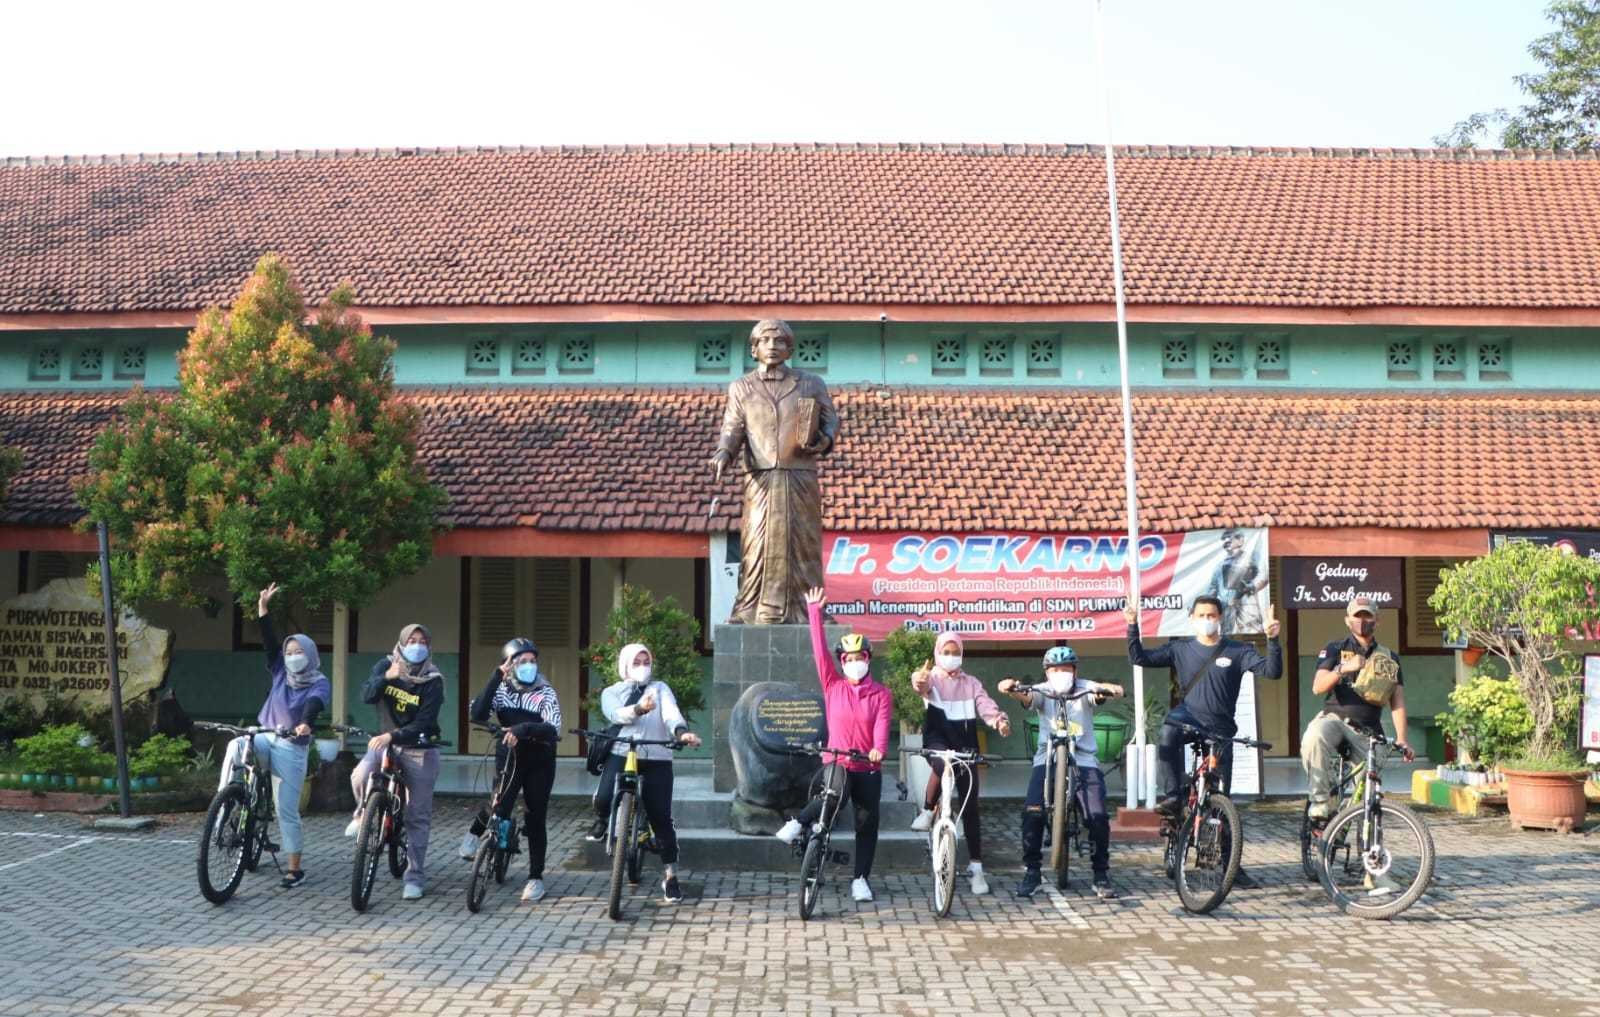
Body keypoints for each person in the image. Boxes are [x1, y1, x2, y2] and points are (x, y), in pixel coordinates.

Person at [1126, 596, 1281, 886]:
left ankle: (1229, 864)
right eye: (1202, 614)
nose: (1207, 619)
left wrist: (1273, 640)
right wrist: (1132, 625)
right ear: (1192, 618)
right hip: (1189, 717)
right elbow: (1140, 659)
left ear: (1221, 617)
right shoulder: (1180, 648)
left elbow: (1272, 672)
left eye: (1212, 614)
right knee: (1168, 732)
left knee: (1223, 799)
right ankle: (1173, 797)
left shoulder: (1238, 650)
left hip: (1221, 727)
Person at [710, 318, 840, 624]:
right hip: (761, 478)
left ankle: (812, 609)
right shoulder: (742, 387)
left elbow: (830, 420)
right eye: (765, 341)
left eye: (780, 341)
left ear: (790, 348)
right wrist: (724, 453)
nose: (773, 346)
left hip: (800, 475)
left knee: (804, 543)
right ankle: (749, 608)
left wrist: (822, 439)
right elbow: (733, 427)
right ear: (754, 349)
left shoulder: (810, 383)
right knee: (756, 543)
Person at [774, 587, 893, 904]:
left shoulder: (880, 694)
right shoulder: (833, 685)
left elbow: (882, 724)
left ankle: (860, 880)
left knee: (867, 824)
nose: (854, 663)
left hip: (868, 766)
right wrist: (814, 611)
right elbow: (818, 651)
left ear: (868, 660)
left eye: (860, 658)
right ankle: (798, 823)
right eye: (848, 659)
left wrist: (878, 748)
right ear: (842, 662)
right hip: (837, 761)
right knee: (833, 796)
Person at [998, 646, 1124, 900]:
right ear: (1047, 671)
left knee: (1097, 816)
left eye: (1066, 668)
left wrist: (1110, 690)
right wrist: (1010, 687)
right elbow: (1025, 697)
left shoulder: (1086, 688)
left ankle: (1100, 874)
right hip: (1047, 760)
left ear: (1075, 670)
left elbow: (1102, 693)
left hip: (1084, 760)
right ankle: (1032, 872)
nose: (1061, 673)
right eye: (1055, 669)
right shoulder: (1043, 690)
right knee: (1032, 812)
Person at [590, 642, 702, 904]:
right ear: (625, 666)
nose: (643, 667)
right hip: (622, 752)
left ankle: (671, 876)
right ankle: (601, 821)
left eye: (646, 662)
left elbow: (671, 714)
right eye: (637, 662)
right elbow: (615, 714)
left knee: (661, 818)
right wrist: (639, 709)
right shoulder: (612, 691)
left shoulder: (660, 689)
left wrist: (680, 733)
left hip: (657, 756)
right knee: (605, 797)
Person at [345, 623, 446, 901]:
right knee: (360, 774)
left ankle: (414, 877)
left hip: (418, 748)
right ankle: (363, 812)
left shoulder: (433, 678)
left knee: (417, 816)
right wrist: (386, 677)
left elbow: (425, 721)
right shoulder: (385, 665)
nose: (417, 645)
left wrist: (392, 735)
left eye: (422, 641)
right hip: (386, 743)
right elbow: (367, 695)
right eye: (411, 640)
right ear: (401, 643)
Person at [459, 637, 563, 903]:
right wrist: (496, 676)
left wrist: (522, 729)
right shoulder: (502, 688)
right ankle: (474, 834)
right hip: (509, 754)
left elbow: (553, 729)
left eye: (532, 661)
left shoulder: (545, 691)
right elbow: (478, 713)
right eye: (521, 661)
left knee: (534, 815)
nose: (529, 665)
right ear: (510, 664)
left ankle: (536, 878)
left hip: (539, 758)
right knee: (499, 802)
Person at [908, 630, 1011, 895]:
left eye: (955, 652)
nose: (951, 657)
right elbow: (921, 684)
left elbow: (984, 704)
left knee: (972, 807)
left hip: (966, 747)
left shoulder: (971, 683)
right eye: (946, 652)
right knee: (945, 764)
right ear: (937, 653)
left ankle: (976, 869)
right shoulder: (931, 678)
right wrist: (917, 680)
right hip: (937, 742)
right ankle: (929, 809)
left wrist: (997, 720)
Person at [252, 582, 332, 890]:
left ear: (310, 655)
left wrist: (306, 723)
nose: (293, 656)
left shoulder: (319, 681)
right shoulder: (278, 671)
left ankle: (294, 868)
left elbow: (315, 703)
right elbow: (269, 643)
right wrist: (263, 610)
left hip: (292, 747)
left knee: (286, 809)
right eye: (289, 652)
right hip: (266, 736)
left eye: (299, 652)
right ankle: (231, 805)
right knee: (238, 747)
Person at [1303, 595, 1412, 821]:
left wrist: (1402, 738)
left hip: (1368, 730)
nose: (1362, 621)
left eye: (1367, 616)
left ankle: (1346, 830)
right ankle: (1322, 801)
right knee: (1314, 736)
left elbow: (1397, 700)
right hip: (1335, 719)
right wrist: (1343, 668)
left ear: (1377, 621)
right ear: (1347, 620)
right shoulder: (1334, 648)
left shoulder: (1389, 657)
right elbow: (1318, 687)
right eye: (1357, 616)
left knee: (1367, 787)